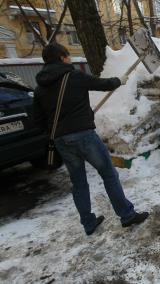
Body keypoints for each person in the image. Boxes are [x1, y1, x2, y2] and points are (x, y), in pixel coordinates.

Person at [33, 43, 149, 236]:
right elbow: (101, 84)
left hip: (61, 141)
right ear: (62, 57)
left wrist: (61, 130)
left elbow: (38, 121)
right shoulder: (73, 76)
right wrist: (119, 80)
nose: (70, 58)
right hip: (84, 136)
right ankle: (127, 216)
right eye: (68, 55)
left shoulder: (40, 88)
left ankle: (88, 223)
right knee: (109, 174)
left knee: (78, 182)